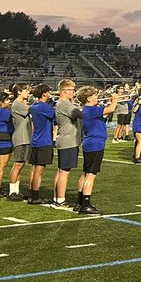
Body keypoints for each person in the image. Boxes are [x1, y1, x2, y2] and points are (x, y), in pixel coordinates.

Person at [76, 85, 122, 214]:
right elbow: (112, 108)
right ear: (89, 98)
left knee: (85, 173)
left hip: (89, 143)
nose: (98, 97)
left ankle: (79, 202)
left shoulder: (88, 109)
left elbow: (106, 115)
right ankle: (85, 204)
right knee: (91, 175)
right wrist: (114, 99)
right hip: (95, 144)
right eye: (95, 96)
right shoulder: (91, 110)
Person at [52, 79, 82, 210]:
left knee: (61, 171)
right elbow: (80, 114)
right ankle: (60, 200)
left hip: (65, 139)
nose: (73, 92)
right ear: (64, 91)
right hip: (68, 140)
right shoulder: (64, 104)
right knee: (64, 171)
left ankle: (57, 197)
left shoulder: (64, 103)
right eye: (71, 90)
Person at [26, 84, 55, 205]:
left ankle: (32, 192)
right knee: (39, 170)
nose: (50, 94)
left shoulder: (34, 106)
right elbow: (56, 115)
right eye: (48, 92)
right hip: (44, 141)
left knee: (34, 168)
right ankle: (35, 195)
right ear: (44, 94)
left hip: (36, 140)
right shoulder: (44, 107)